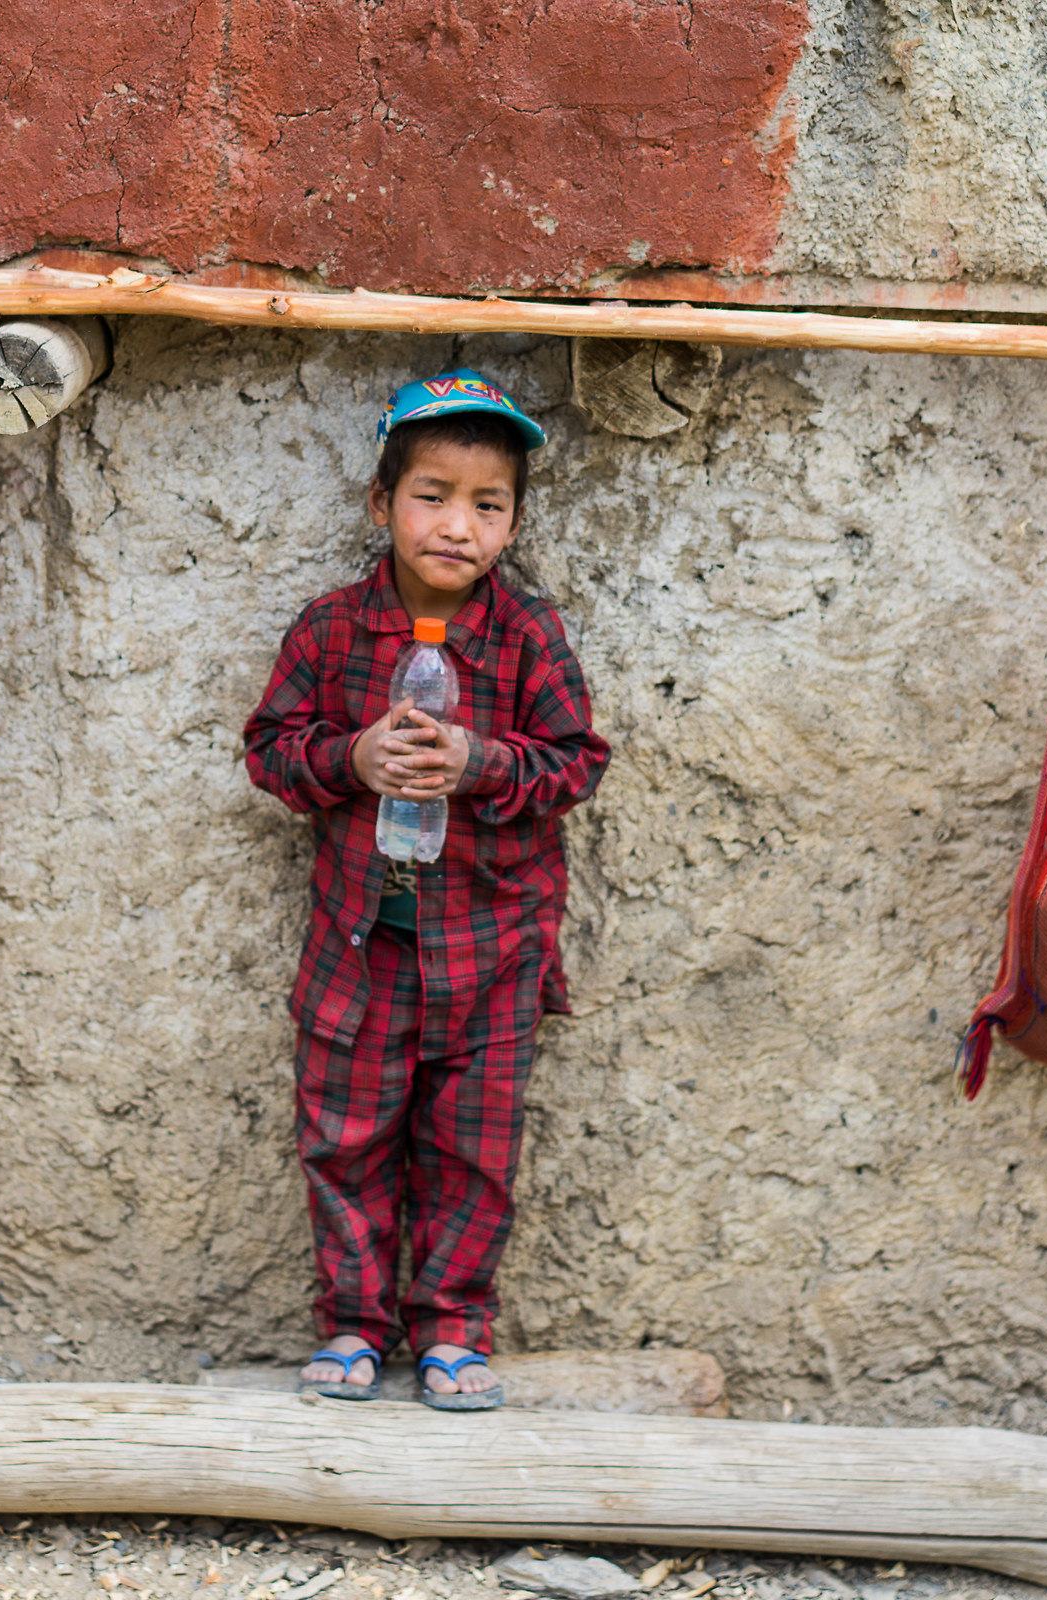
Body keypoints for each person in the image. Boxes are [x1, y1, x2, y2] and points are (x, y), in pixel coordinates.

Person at [243, 369, 610, 1410]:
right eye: (431, 494)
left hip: (491, 957)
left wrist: (482, 765)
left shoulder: (527, 638)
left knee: (472, 1152)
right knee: (345, 1142)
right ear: (380, 503)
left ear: (515, 521)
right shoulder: (331, 631)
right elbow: (270, 750)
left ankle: (453, 1326)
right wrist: (350, 760)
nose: (457, 524)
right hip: (359, 953)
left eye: (486, 504)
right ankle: (354, 1323)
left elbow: (577, 763)